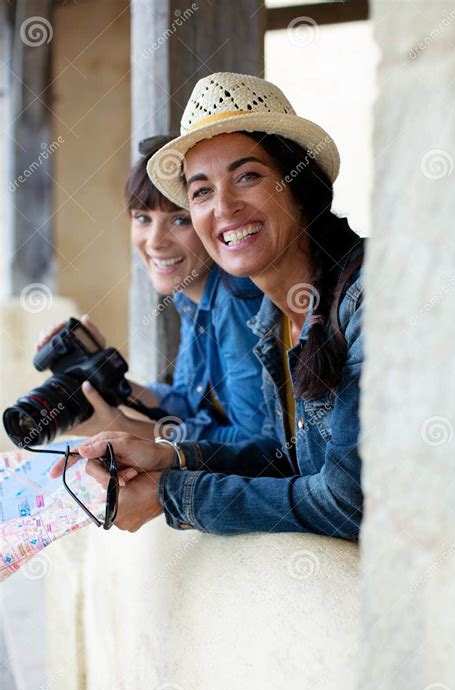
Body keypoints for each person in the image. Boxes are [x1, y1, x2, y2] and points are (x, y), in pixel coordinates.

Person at [53, 72, 366, 541]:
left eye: (247, 176)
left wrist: (172, 493)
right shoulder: (272, 321)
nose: (224, 206)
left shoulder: (369, 299)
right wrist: (169, 456)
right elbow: (284, 459)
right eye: (201, 191)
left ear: (300, 187)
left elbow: (349, 504)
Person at [40, 144, 265, 443]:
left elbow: (261, 449)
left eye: (179, 219)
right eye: (142, 218)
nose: (155, 242)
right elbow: (186, 401)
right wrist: (104, 373)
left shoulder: (236, 301)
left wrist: (127, 429)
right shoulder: (191, 296)